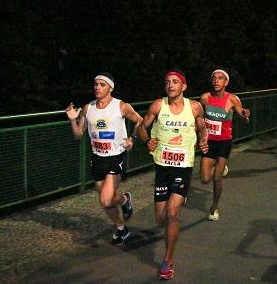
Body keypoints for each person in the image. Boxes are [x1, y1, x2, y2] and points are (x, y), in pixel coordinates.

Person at [138, 69, 208, 280]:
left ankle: (167, 260)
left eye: (175, 82)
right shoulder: (158, 105)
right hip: (162, 166)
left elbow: (202, 126)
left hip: (183, 166)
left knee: (172, 212)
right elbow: (142, 127)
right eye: (167, 82)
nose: (170, 85)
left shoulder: (194, 107)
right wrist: (146, 140)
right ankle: (171, 220)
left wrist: (203, 138)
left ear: (183, 87)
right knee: (161, 219)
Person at [66, 72, 142, 245]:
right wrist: (72, 120)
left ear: (110, 88)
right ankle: (121, 228)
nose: (97, 87)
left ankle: (124, 199)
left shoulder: (121, 106)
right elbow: (79, 135)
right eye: (95, 84)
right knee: (106, 204)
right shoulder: (88, 108)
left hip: (116, 157)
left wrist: (133, 139)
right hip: (97, 159)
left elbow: (140, 120)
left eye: (102, 84)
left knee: (106, 199)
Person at [199, 69, 250, 221]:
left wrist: (245, 115)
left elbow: (244, 119)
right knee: (204, 179)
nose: (216, 81)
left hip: (224, 143)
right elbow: (198, 119)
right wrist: (200, 136)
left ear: (226, 82)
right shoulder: (205, 98)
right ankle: (217, 165)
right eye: (214, 78)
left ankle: (214, 207)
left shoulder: (232, 99)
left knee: (217, 178)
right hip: (209, 142)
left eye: (220, 78)